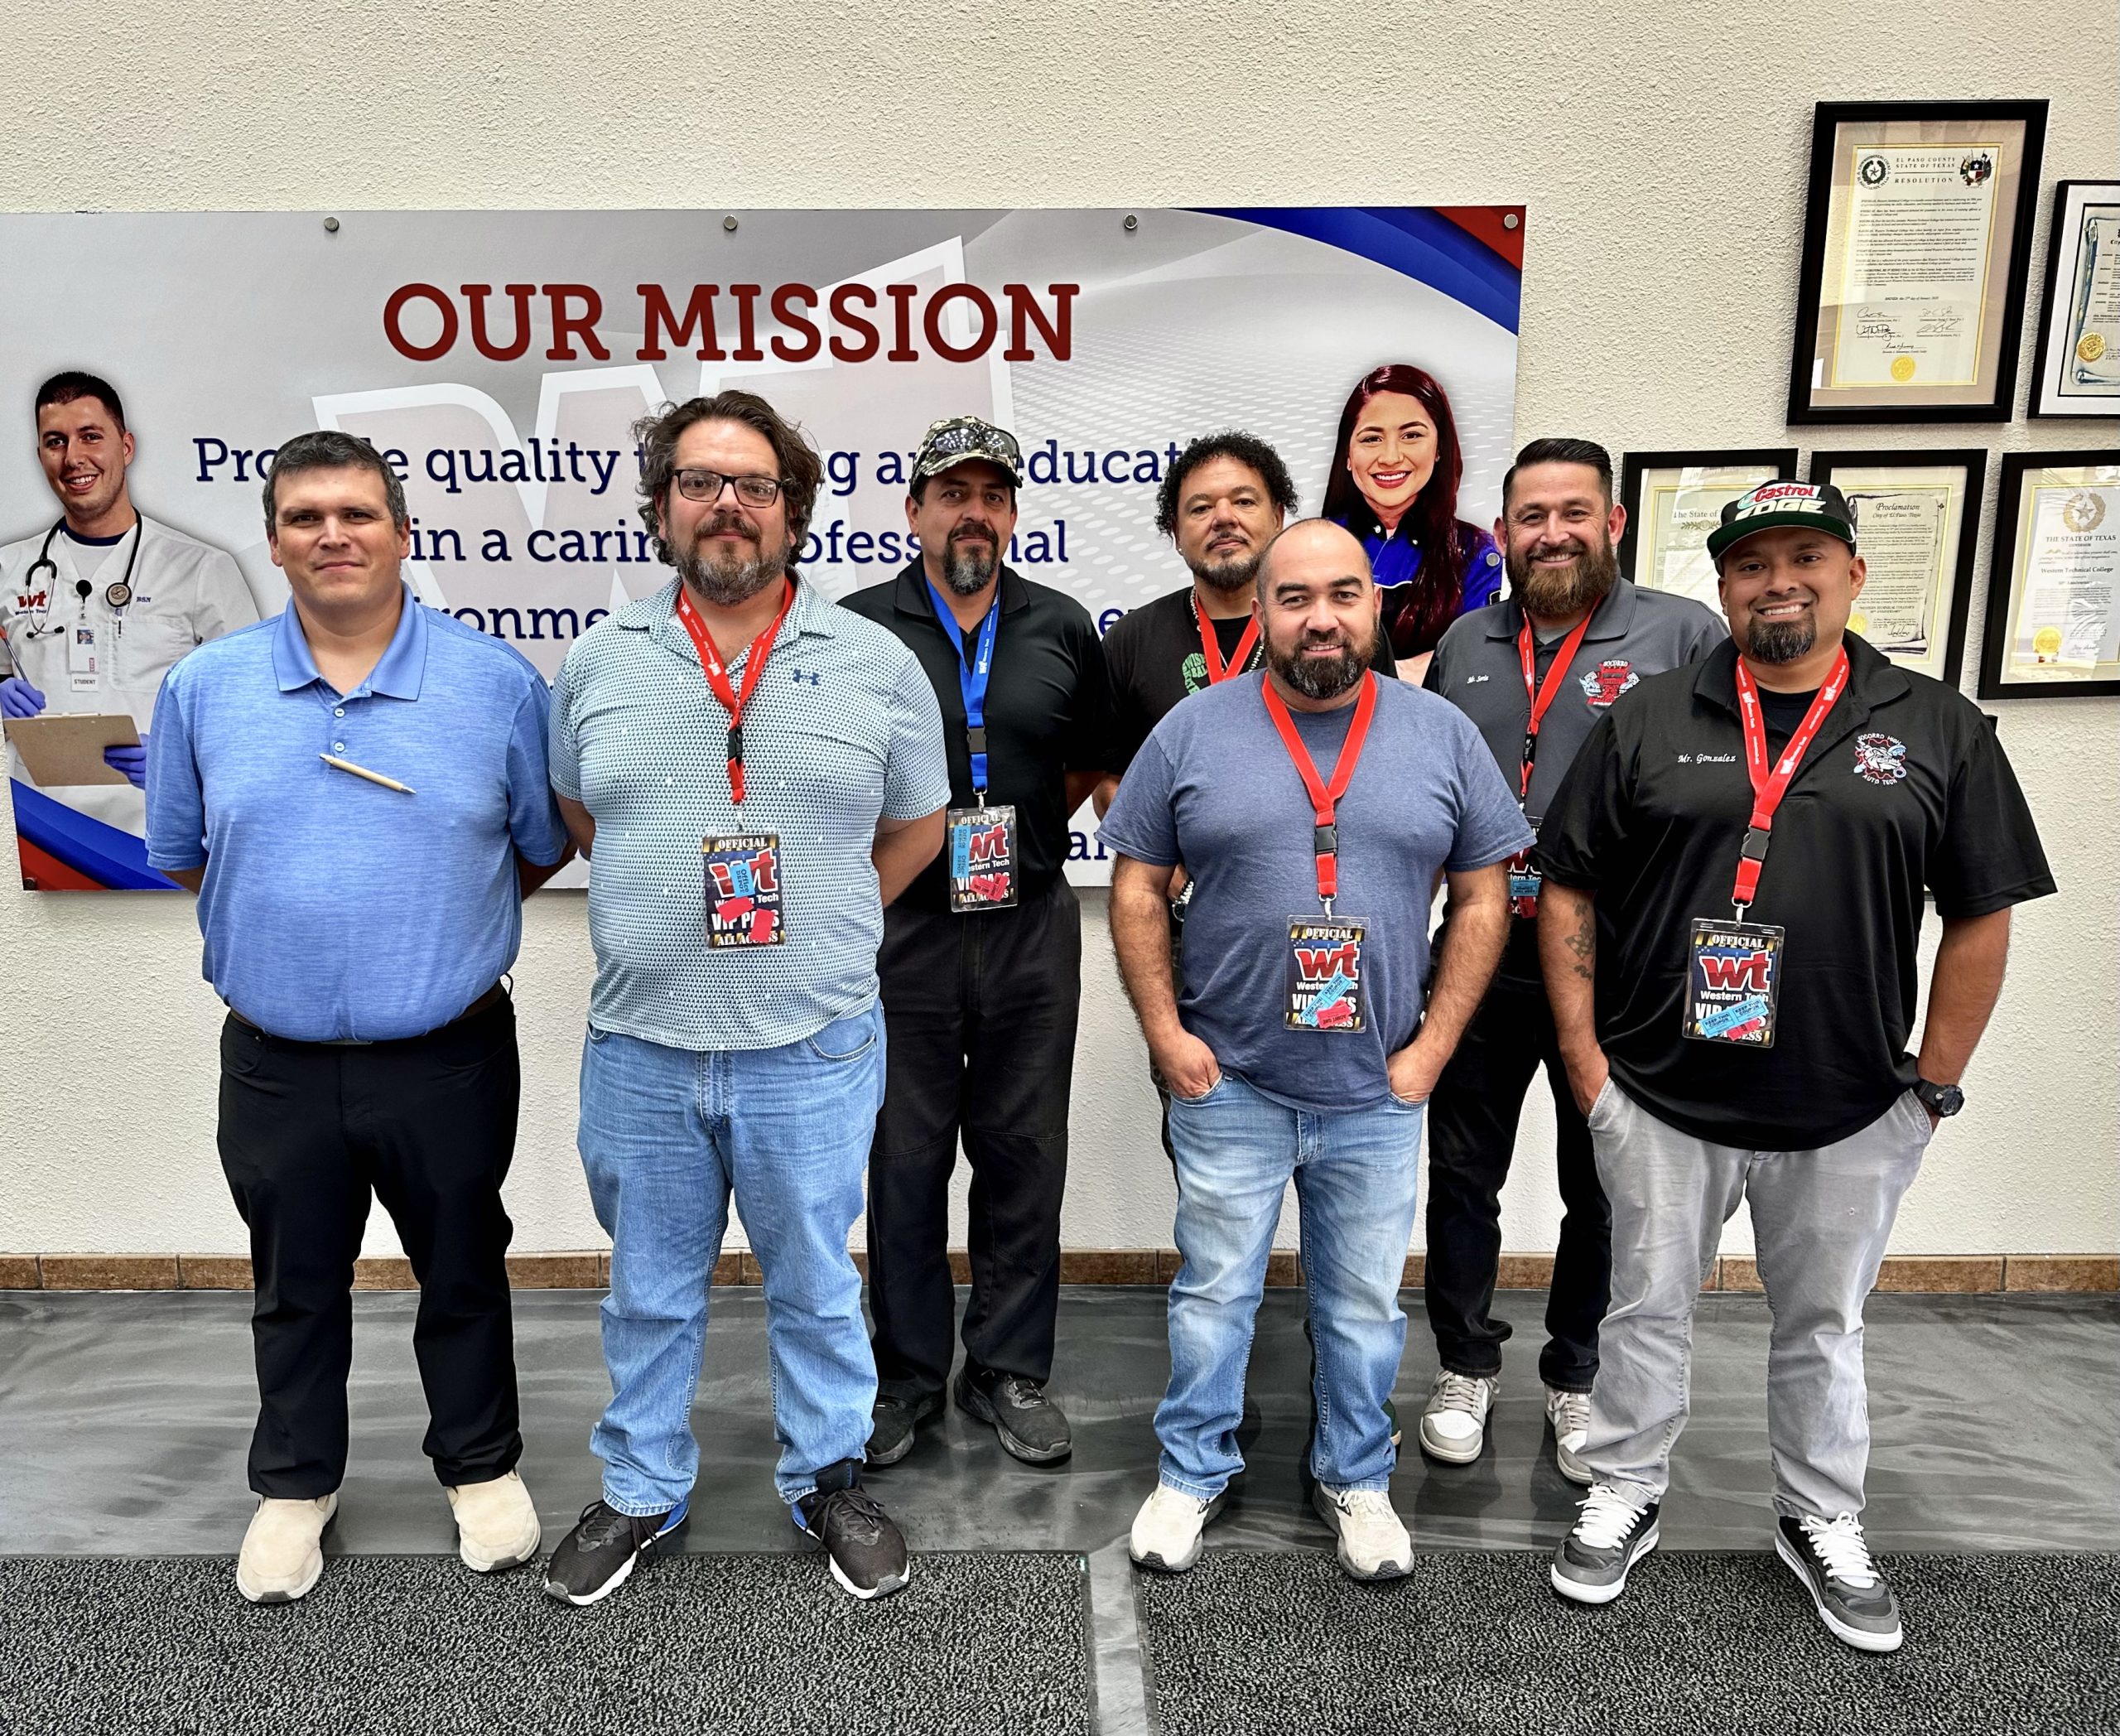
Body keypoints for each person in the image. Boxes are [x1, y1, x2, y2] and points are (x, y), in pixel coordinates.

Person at [1535, 480, 2055, 1652]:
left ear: (1854, 574)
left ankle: (1819, 1513)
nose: (1778, 583)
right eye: (1751, 564)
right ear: (1723, 586)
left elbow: (1983, 910)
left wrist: (1932, 1087)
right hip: (1660, 1093)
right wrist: (1585, 1064)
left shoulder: (1936, 725)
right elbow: (1568, 883)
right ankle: (1625, 1486)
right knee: (1644, 1306)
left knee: (1824, 1321)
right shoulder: (1650, 715)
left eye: (1805, 558)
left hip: (1850, 1103)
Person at [143, 430, 571, 1604]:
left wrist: (431, 935)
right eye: (305, 517)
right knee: (294, 1282)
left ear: (402, 533)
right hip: (275, 1060)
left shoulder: (495, 684)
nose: (333, 534)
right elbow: (185, 853)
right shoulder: (204, 687)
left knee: (463, 1266)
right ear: (274, 541)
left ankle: (480, 1465)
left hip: (448, 1053)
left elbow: (537, 847)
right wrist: (295, 940)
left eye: (358, 513)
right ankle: (296, 1486)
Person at [542, 390, 950, 1607]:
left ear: (792, 509)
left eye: (755, 485)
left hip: (811, 1044)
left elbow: (918, 827)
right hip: (642, 1047)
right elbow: (583, 815)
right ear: (662, 507)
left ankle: (828, 1478)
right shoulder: (599, 661)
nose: (728, 505)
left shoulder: (875, 663)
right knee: (648, 1292)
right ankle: (639, 1488)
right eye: (700, 482)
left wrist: (826, 917)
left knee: (817, 1286)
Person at [1102, 518, 1528, 1581]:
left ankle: (1356, 1476)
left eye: (1343, 593)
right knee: (1213, 1298)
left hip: (1376, 1086)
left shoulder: (1439, 733)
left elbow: (1484, 897)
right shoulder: (1193, 729)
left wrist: (1431, 1050)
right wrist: (1165, 1035)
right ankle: (1192, 1470)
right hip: (1231, 1079)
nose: (1320, 617)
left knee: (1361, 1307)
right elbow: (1136, 884)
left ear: (1375, 606)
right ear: (1263, 609)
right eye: (1293, 597)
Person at [1417, 438, 1722, 1480]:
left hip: (1616, 959)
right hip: (1482, 949)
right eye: (1530, 516)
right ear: (1503, 531)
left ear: (1613, 522)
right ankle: (1464, 1364)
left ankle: (1576, 1372)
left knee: (1601, 1178)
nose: (1551, 534)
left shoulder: (1682, 634)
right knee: (1463, 1174)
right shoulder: (1464, 640)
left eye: (1572, 512)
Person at [840, 416, 1115, 1468]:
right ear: (913, 511)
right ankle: (907, 1373)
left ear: (1011, 513)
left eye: (991, 496)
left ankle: (1006, 1367)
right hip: (902, 930)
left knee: (1023, 1151)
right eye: (951, 494)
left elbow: (1086, 761)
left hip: (1030, 926)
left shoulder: (1061, 625)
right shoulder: (859, 629)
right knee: (902, 1156)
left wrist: (1017, 840)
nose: (973, 514)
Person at [1096, 432, 1398, 1163]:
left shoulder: (1338, 633)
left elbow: (1383, 762)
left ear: (1280, 516)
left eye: (1243, 501)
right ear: (1175, 531)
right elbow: (1108, 780)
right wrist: (1173, 872)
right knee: (1208, 1135)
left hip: (1332, 927)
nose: (1223, 518)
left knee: (1347, 1144)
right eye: (1200, 507)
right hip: (1193, 941)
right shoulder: (1133, 639)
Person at [2, 371, 258, 881]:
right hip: (38, 837)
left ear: (126, 446)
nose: (73, 457)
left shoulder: (201, 568)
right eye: (56, 441)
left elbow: (249, 708)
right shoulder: (8, 569)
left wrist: (175, 761)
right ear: (40, 455)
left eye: (90, 436)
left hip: (160, 843)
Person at [1321, 363, 1502, 684]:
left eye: (1411, 435)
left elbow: (1474, 658)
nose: (1391, 457)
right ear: (1347, 455)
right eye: (1372, 438)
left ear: (1439, 448)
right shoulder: (1316, 544)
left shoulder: (1476, 552)